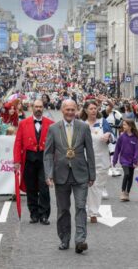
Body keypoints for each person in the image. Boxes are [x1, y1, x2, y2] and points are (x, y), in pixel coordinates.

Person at [43, 99, 95, 254]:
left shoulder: (84, 127)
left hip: (81, 174)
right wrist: (48, 174)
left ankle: (80, 240)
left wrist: (92, 174)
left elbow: (90, 152)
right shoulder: (53, 128)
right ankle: (64, 239)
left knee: (80, 207)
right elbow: (48, 154)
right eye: (68, 110)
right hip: (61, 174)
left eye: (73, 109)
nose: (70, 112)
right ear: (62, 110)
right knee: (63, 209)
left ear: (77, 110)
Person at [14, 99, 54, 224]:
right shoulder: (23, 123)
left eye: (40, 107)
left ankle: (44, 215)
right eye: (36, 107)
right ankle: (34, 214)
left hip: (44, 159)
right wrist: (16, 161)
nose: (38, 109)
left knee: (44, 187)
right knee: (31, 188)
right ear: (32, 107)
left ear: (43, 108)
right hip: (29, 159)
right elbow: (18, 142)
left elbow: (55, 144)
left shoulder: (51, 124)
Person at [81, 100, 113, 223]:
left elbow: (112, 136)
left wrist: (108, 136)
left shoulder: (102, 122)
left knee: (97, 186)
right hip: (85, 160)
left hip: (101, 160)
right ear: (86, 111)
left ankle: (93, 211)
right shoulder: (81, 124)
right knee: (87, 186)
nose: (94, 111)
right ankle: (88, 209)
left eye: (95, 108)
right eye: (91, 109)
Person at [112, 119, 138, 202]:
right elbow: (117, 149)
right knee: (127, 174)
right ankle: (123, 191)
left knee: (130, 177)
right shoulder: (121, 136)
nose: (123, 126)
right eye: (123, 125)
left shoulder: (135, 138)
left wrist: (135, 161)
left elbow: (137, 150)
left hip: (132, 161)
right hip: (124, 160)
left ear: (130, 126)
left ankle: (127, 193)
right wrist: (114, 160)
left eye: (124, 125)